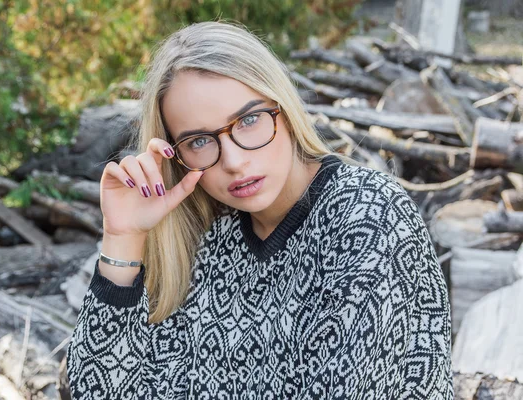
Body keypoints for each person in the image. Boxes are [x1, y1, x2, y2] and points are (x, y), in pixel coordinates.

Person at [66, 20, 453, 399]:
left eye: (248, 120)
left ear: (282, 107)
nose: (233, 161)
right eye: (199, 141)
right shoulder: (213, 239)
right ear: (176, 155)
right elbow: (99, 389)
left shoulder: (367, 214)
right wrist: (124, 238)